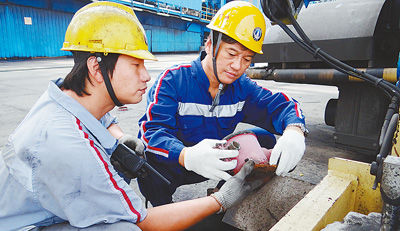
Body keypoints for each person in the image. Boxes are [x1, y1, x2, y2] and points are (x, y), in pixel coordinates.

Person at [0, 2, 259, 230]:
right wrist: (221, 200)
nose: (146, 76)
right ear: (96, 68)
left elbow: (103, 120)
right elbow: (144, 222)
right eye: (136, 65)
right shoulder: (71, 147)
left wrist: (121, 138)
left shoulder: (64, 96)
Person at [137, 0, 307, 207]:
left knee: (266, 141)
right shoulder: (173, 81)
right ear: (210, 45)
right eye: (231, 54)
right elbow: (152, 133)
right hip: (179, 163)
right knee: (148, 163)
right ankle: (162, 210)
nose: (237, 66)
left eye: (247, 59)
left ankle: (224, 193)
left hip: (218, 160)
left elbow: (280, 106)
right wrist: (186, 155)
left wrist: (295, 131)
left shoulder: (241, 87)